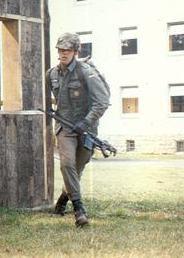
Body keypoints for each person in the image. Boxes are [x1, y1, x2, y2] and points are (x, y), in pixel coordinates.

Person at [46, 33, 110, 226]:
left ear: (75, 51)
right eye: (61, 50)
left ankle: (62, 201)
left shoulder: (86, 72)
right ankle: (79, 210)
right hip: (65, 127)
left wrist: (86, 121)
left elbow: (102, 102)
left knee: (77, 170)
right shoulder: (52, 74)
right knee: (67, 164)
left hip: (87, 130)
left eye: (68, 50)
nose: (63, 53)